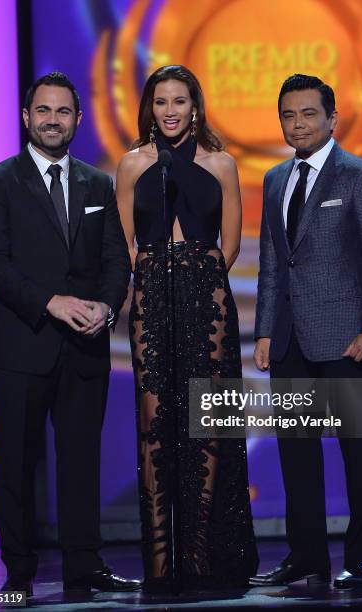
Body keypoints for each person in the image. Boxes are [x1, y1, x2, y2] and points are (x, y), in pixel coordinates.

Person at [0, 72, 139, 596]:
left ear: (77, 120)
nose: (52, 120)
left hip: (85, 346)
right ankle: (19, 571)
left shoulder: (97, 183)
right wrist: (51, 302)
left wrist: (107, 307)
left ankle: (83, 565)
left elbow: (116, 259)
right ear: (26, 117)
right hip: (19, 345)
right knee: (17, 465)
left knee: (81, 461)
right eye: (42, 110)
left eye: (62, 111)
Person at [250, 74, 362, 589]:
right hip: (290, 340)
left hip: (348, 341)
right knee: (297, 454)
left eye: (308, 113)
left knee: (359, 453)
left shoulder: (360, 176)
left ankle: (361, 560)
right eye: (289, 115)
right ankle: (307, 556)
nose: (298, 124)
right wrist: (265, 331)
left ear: (332, 119)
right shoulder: (275, 179)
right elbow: (273, 264)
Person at [116, 65, 258, 593]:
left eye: (179, 101)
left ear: (195, 106)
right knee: (155, 422)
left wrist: (196, 272)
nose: (170, 111)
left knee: (205, 419)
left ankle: (199, 559)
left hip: (206, 295)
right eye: (160, 102)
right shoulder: (131, 165)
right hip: (153, 296)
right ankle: (159, 565)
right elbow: (124, 241)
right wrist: (154, 275)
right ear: (149, 108)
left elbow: (232, 242)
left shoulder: (221, 162)